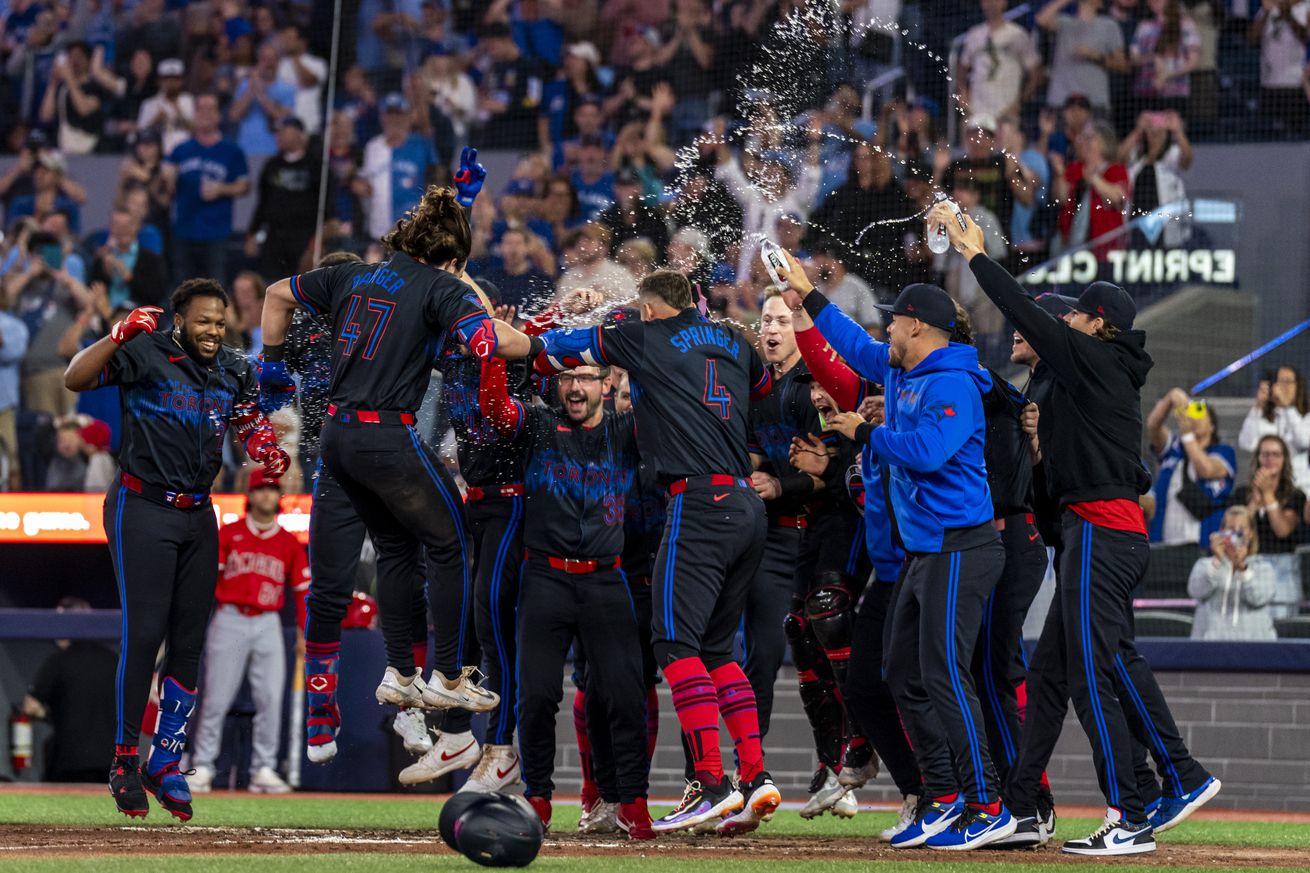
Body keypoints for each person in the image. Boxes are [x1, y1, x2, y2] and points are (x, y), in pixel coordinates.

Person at [935, 201, 1221, 854]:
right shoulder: (1093, 377)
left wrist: (976, 251)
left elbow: (1023, 310)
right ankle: (1039, 802)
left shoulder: (1094, 359)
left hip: (1099, 530)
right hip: (1094, 530)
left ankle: (1142, 801)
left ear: (1099, 324)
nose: (1063, 321)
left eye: (1075, 313)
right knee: (1058, 671)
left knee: (1097, 670)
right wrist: (1041, 453)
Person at [258, 185, 537, 730]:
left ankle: (400, 673)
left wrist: (271, 366)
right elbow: (489, 341)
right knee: (452, 540)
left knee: (393, 545)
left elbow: (273, 294)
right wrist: (543, 345)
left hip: (336, 440)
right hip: (385, 435)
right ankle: (450, 677)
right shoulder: (441, 286)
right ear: (454, 259)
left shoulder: (352, 273)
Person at [529, 269, 778, 835]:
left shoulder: (644, 336)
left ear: (647, 309)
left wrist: (512, 334)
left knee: (673, 643)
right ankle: (756, 775)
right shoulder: (735, 338)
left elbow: (547, 351)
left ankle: (711, 783)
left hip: (698, 501)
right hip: (746, 505)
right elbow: (760, 388)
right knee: (719, 652)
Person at [778, 254, 1014, 851]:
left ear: (917, 327)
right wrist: (808, 296)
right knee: (901, 674)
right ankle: (943, 798)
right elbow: (854, 345)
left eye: (894, 322)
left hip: (962, 545)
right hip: (925, 551)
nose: (886, 331)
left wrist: (862, 431)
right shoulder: (905, 371)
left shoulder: (954, 380)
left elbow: (930, 450)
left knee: (942, 674)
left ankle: (988, 804)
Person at [63, 280, 291, 822]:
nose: (213, 330)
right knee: (144, 632)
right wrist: (116, 335)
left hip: (198, 510)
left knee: (190, 641)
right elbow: (75, 377)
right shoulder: (144, 349)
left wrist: (264, 446)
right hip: (140, 503)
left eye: (220, 321)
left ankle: (165, 761)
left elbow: (247, 423)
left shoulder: (236, 367)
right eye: (203, 320)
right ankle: (123, 761)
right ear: (179, 320)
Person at [479, 354, 653, 838]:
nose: (575, 387)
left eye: (585, 378)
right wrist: (491, 353)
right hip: (545, 579)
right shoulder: (537, 423)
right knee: (536, 697)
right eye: (567, 377)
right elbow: (495, 408)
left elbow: (664, 396)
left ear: (608, 382)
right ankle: (538, 797)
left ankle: (632, 802)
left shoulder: (626, 430)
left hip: (606, 579)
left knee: (623, 696)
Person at [189, 470, 309, 795]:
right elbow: (206, 581)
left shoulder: (288, 543)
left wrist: (303, 632)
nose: (267, 495)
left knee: (270, 699)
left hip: (268, 622)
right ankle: (202, 765)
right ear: (251, 495)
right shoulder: (230, 533)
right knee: (215, 698)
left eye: (272, 489)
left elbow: (301, 591)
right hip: (229, 618)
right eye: (261, 489)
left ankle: (264, 769)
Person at [740, 292, 822, 749]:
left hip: (817, 534)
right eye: (766, 321)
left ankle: (834, 765)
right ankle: (750, 766)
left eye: (781, 322)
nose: (770, 330)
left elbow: (829, 473)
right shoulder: (758, 388)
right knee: (762, 655)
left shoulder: (815, 385)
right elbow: (753, 453)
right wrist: (750, 472)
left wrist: (779, 486)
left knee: (825, 656)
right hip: (770, 538)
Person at [23, 597, 118, 783]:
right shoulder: (114, 660)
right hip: (112, 763)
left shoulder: (58, 661)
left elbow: (30, 706)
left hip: (69, 764)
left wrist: (52, 716)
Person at [163, 94, 251, 286]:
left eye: (210, 109)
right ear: (194, 114)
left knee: (215, 287)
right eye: (200, 109)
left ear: (218, 115)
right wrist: (167, 177)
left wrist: (222, 189)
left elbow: (244, 186)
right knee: (182, 288)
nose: (204, 114)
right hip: (184, 230)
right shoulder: (181, 150)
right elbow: (165, 185)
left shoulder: (231, 150)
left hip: (216, 232)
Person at [9, 229, 93, 418]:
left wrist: (65, 277)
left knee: (71, 429)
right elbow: (5, 296)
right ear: (31, 255)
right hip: (33, 373)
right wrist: (28, 273)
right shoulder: (22, 286)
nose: (45, 259)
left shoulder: (65, 285)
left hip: (64, 369)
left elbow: (89, 302)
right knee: (43, 435)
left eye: (49, 253)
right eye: (39, 253)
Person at [1230, 434, 1307, 620]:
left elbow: (1282, 530)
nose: (1270, 459)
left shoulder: (1295, 496)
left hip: (1283, 570)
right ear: (1257, 458)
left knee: (1281, 626)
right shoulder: (1242, 494)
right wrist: (1254, 503)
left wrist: (1267, 495)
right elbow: (1235, 531)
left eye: (1276, 454)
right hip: (1247, 564)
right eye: (1265, 454)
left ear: (1284, 460)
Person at [1146, 388, 1235, 546]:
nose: (1194, 419)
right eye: (1191, 414)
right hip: (1164, 541)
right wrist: (1169, 399)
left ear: (1212, 425)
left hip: (1203, 543)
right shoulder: (1174, 448)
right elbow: (1153, 427)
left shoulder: (1224, 452)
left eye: (1200, 414)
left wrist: (1187, 435)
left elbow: (1206, 469)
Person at [246, 117, 325, 282]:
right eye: (277, 133)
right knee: (271, 285)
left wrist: (318, 241)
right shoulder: (272, 166)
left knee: (303, 287)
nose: (278, 136)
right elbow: (263, 203)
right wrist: (252, 233)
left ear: (299, 134)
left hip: (304, 240)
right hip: (274, 241)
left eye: (283, 132)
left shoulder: (317, 166)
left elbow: (326, 206)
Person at [357, 93, 440, 241]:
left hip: (413, 232)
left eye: (399, 114)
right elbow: (365, 184)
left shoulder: (421, 144)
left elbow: (437, 177)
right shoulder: (372, 147)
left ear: (408, 117)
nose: (394, 120)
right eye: (389, 114)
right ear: (381, 117)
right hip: (379, 231)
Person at [1188, 506, 1278, 641]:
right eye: (1230, 529)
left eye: (1241, 529)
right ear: (1222, 532)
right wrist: (1217, 562)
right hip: (1209, 649)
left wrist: (1242, 568)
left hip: (1256, 649)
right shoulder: (1204, 565)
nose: (1236, 533)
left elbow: (1258, 597)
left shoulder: (1264, 568)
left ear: (1251, 533)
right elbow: (1195, 591)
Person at [1038, 0, 1131, 116]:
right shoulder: (1064, 22)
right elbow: (1041, 19)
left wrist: (1095, 56)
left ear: (1100, 3)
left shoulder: (1109, 25)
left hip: (1094, 103)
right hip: (1060, 102)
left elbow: (1122, 65)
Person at [1118, 111, 1193, 250]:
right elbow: (1119, 157)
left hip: (1164, 225)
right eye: (1152, 132)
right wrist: (1138, 130)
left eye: (1160, 133)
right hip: (1137, 222)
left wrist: (1178, 131)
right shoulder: (1137, 159)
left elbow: (1187, 160)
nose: (1155, 136)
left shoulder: (1171, 155)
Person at [958, 0, 1043, 121]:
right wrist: (963, 93)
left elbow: (1035, 73)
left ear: (1004, 3)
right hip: (976, 111)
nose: (991, 3)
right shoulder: (974, 35)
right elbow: (962, 67)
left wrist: (1021, 101)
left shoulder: (1018, 34)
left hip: (1006, 112)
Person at [1237, 366, 1310, 492]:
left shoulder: (1306, 416)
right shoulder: (1264, 416)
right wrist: (1258, 406)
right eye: (1279, 382)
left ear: (1298, 386)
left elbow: (1303, 440)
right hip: (1267, 486)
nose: (1282, 387)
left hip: (1300, 487)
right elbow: (1246, 444)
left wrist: (1287, 406)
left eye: (1288, 382)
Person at [1248, 0, 1310, 134]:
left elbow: (1305, 37)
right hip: (1268, 83)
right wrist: (1265, 13)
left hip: (1295, 84)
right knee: (1267, 136)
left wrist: (1288, 16)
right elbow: (1252, 38)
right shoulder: (1268, 9)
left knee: (1295, 136)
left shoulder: (1305, 8)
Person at [88, 208, 169, 310]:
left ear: (137, 227)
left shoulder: (152, 260)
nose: (121, 230)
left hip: (137, 319)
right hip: (105, 317)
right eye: (116, 225)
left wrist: (129, 277)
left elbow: (155, 296)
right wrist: (105, 272)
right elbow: (92, 289)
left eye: (127, 226)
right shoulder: (103, 257)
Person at [1129, 0, 1200, 114]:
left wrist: (1168, 74)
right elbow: (1133, 58)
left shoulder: (1186, 26)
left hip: (1175, 93)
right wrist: (1152, 58)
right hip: (1145, 94)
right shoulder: (1143, 26)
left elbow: (1193, 62)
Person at [229, 42, 296, 159]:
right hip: (245, 149)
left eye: (272, 59)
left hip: (273, 150)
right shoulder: (245, 86)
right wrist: (251, 88)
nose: (268, 64)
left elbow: (281, 118)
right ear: (258, 62)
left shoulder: (287, 89)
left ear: (278, 62)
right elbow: (234, 115)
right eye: (264, 59)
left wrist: (260, 93)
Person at [136, 58, 194, 156]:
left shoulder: (189, 101)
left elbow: (198, 130)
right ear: (159, 81)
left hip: (186, 154)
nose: (171, 83)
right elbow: (140, 135)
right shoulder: (150, 104)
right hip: (158, 157)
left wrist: (181, 116)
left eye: (175, 78)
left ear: (181, 81)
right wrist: (155, 121)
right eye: (167, 79)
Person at [277, 24, 328, 135]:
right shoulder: (279, 65)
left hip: (308, 125)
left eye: (290, 38)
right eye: (285, 38)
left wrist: (294, 57)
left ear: (302, 41)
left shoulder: (318, 64)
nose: (287, 42)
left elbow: (308, 81)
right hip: (283, 127)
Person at [0, 307, 28, 489]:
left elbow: (13, 353)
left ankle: (13, 504)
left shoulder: (13, 326)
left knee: (10, 457)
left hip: (4, 403)